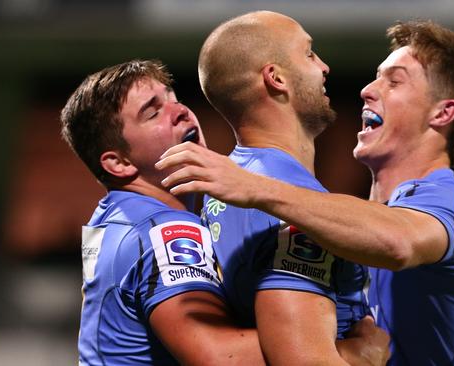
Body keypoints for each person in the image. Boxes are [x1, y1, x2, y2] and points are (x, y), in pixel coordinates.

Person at [158, 19, 454, 365]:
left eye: (394, 82)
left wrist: (254, 187)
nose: (367, 89)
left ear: (443, 113)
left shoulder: (450, 202)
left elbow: (398, 242)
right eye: (376, 76)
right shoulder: (332, 211)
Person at [61, 59, 388, 365]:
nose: (180, 112)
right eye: (152, 112)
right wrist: (349, 352)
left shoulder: (116, 216)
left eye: (172, 98)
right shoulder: (164, 229)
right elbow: (220, 357)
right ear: (118, 163)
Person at [158, 11, 387, 366]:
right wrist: (368, 357)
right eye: (310, 53)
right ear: (276, 78)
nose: (324, 67)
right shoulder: (284, 199)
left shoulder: (230, 186)